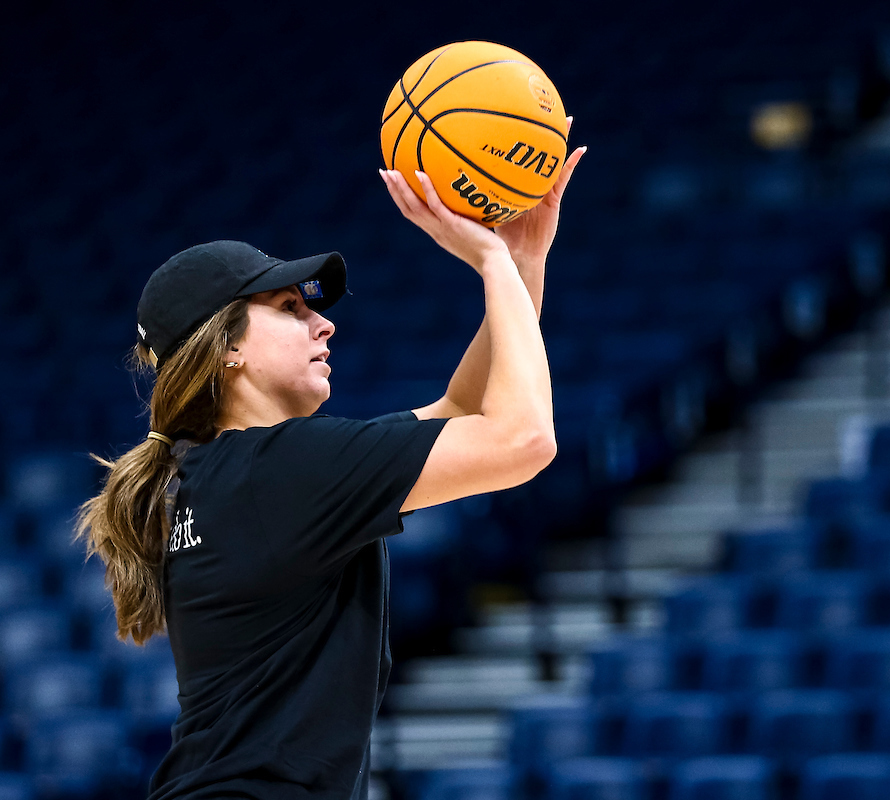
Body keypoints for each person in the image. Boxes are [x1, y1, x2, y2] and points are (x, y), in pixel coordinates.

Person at [74, 140, 585, 798]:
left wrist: (520, 264)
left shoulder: (232, 472)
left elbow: (465, 408)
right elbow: (523, 439)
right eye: (291, 309)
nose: (325, 325)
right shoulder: (277, 472)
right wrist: (490, 262)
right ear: (227, 348)